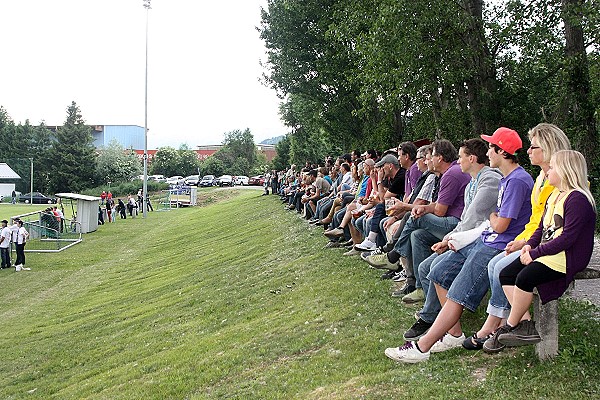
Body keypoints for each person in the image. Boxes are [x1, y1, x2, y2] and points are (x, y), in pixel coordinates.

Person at [385, 127, 534, 363]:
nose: (488, 153)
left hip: (497, 245)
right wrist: (488, 222)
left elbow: (500, 224)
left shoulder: (515, 180)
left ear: (501, 151)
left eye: (492, 148)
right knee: (438, 272)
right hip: (487, 240)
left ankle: (422, 347)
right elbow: (489, 221)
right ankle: (455, 333)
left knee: (457, 292)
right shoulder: (507, 179)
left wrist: (491, 219)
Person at [465, 123, 571, 350]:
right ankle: (514, 324)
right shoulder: (542, 177)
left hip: (550, 247)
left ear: (548, 149)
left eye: (534, 147)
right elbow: (535, 220)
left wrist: (526, 243)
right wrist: (522, 240)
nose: (528, 151)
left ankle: (504, 326)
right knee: (496, 264)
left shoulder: (557, 180)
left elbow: (552, 225)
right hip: (535, 239)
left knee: (500, 266)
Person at [483, 150, 596, 352]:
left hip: (567, 257)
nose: (548, 171)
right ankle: (525, 324)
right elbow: (541, 229)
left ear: (565, 171)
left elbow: (567, 238)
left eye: (552, 167)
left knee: (525, 278)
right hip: (550, 252)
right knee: (506, 273)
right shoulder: (555, 195)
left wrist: (534, 254)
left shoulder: (577, 199)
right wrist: (529, 245)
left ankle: (510, 325)